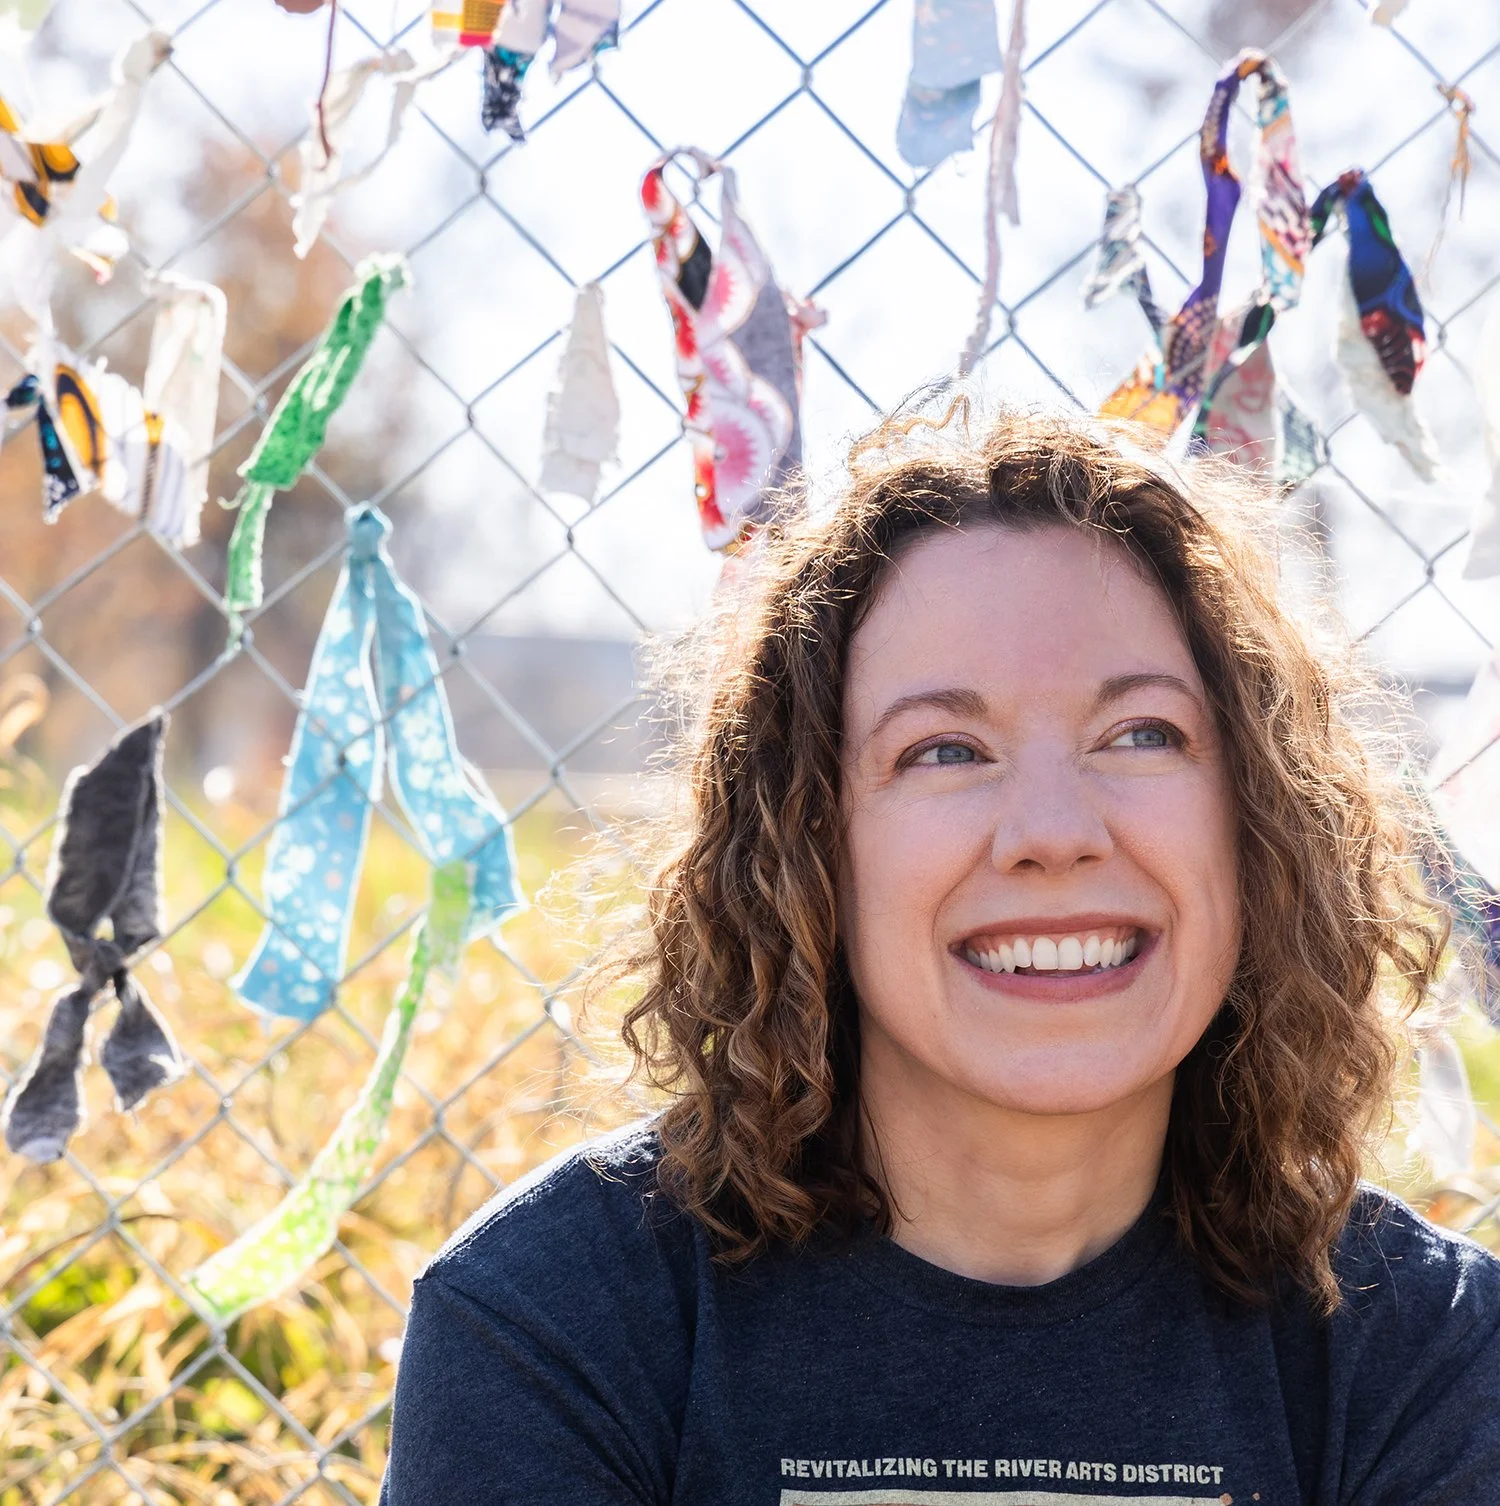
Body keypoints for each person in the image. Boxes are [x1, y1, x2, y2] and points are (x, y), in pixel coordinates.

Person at [379, 404, 1500, 1505]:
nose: (1054, 831)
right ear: (807, 843)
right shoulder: (558, 1318)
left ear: (1260, 819)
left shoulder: (1425, 1354)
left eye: (1141, 734)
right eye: (946, 750)